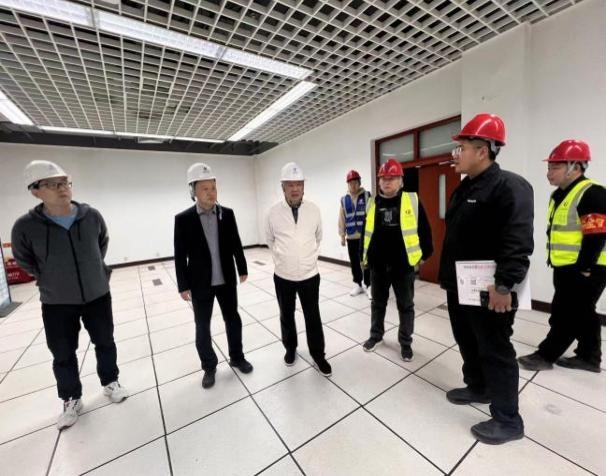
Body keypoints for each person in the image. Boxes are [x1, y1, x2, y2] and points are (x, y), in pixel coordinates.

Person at [11, 160, 128, 430]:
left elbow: (101, 244)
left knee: (105, 341)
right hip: (57, 301)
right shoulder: (25, 227)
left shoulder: (91, 216)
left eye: (64, 182)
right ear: (35, 191)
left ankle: (110, 382)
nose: (62, 188)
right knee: (63, 353)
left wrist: (94, 271)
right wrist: (50, 277)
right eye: (52, 184)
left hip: (97, 295)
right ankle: (71, 398)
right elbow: (25, 260)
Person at [439, 113, 534, 445]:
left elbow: (517, 241)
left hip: (491, 289)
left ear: (482, 151)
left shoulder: (510, 186)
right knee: (467, 340)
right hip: (461, 286)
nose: (456, 154)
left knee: (495, 349)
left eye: (462, 148)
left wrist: (505, 284)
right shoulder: (466, 187)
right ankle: (478, 386)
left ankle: (508, 420)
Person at [518, 140, 606, 373]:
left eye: (555, 167)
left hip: (588, 267)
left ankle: (545, 355)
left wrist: (584, 268)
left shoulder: (592, 193)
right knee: (584, 312)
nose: (549, 172)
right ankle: (589, 357)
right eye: (549, 167)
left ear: (576, 167)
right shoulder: (560, 195)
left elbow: (596, 235)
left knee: (567, 314)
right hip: (565, 265)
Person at [174, 163, 253, 389]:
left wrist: (242, 268)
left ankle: (237, 357)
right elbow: (180, 255)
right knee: (202, 326)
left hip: (226, 279)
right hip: (200, 283)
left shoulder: (227, 214)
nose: (211, 193)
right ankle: (209, 366)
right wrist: (183, 285)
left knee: (233, 319)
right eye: (205, 189)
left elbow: (236, 242)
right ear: (193, 191)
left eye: (213, 188)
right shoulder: (183, 219)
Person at [361, 158, 433, 362]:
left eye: (391, 178)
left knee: (406, 306)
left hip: (403, 265)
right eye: (383, 178)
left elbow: (425, 230)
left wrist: (424, 255)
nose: (386, 182)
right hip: (378, 265)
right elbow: (366, 232)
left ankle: (405, 342)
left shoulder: (412, 200)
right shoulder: (372, 203)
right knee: (377, 304)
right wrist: (363, 258)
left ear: (400, 180)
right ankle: (376, 336)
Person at [265, 162, 332, 377]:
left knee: (313, 316)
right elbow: (269, 240)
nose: (295, 189)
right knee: (286, 315)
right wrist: (282, 258)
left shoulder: (314, 210)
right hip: (283, 276)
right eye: (290, 184)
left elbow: (318, 237)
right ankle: (290, 348)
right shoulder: (273, 213)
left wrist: (307, 258)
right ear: (283, 187)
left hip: (309, 275)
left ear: (304, 186)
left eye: (299, 184)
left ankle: (318, 354)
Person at [339, 169, 371, 298]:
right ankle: (358, 284)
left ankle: (369, 285)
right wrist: (342, 235)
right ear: (348, 184)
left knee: (367, 261)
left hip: (366, 237)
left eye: (355, 183)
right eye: (350, 183)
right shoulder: (344, 199)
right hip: (351, 237)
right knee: (354, 263)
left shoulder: (367, 196)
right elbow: (342, 218)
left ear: (359, 183)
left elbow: (372, 215)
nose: (353, 185)